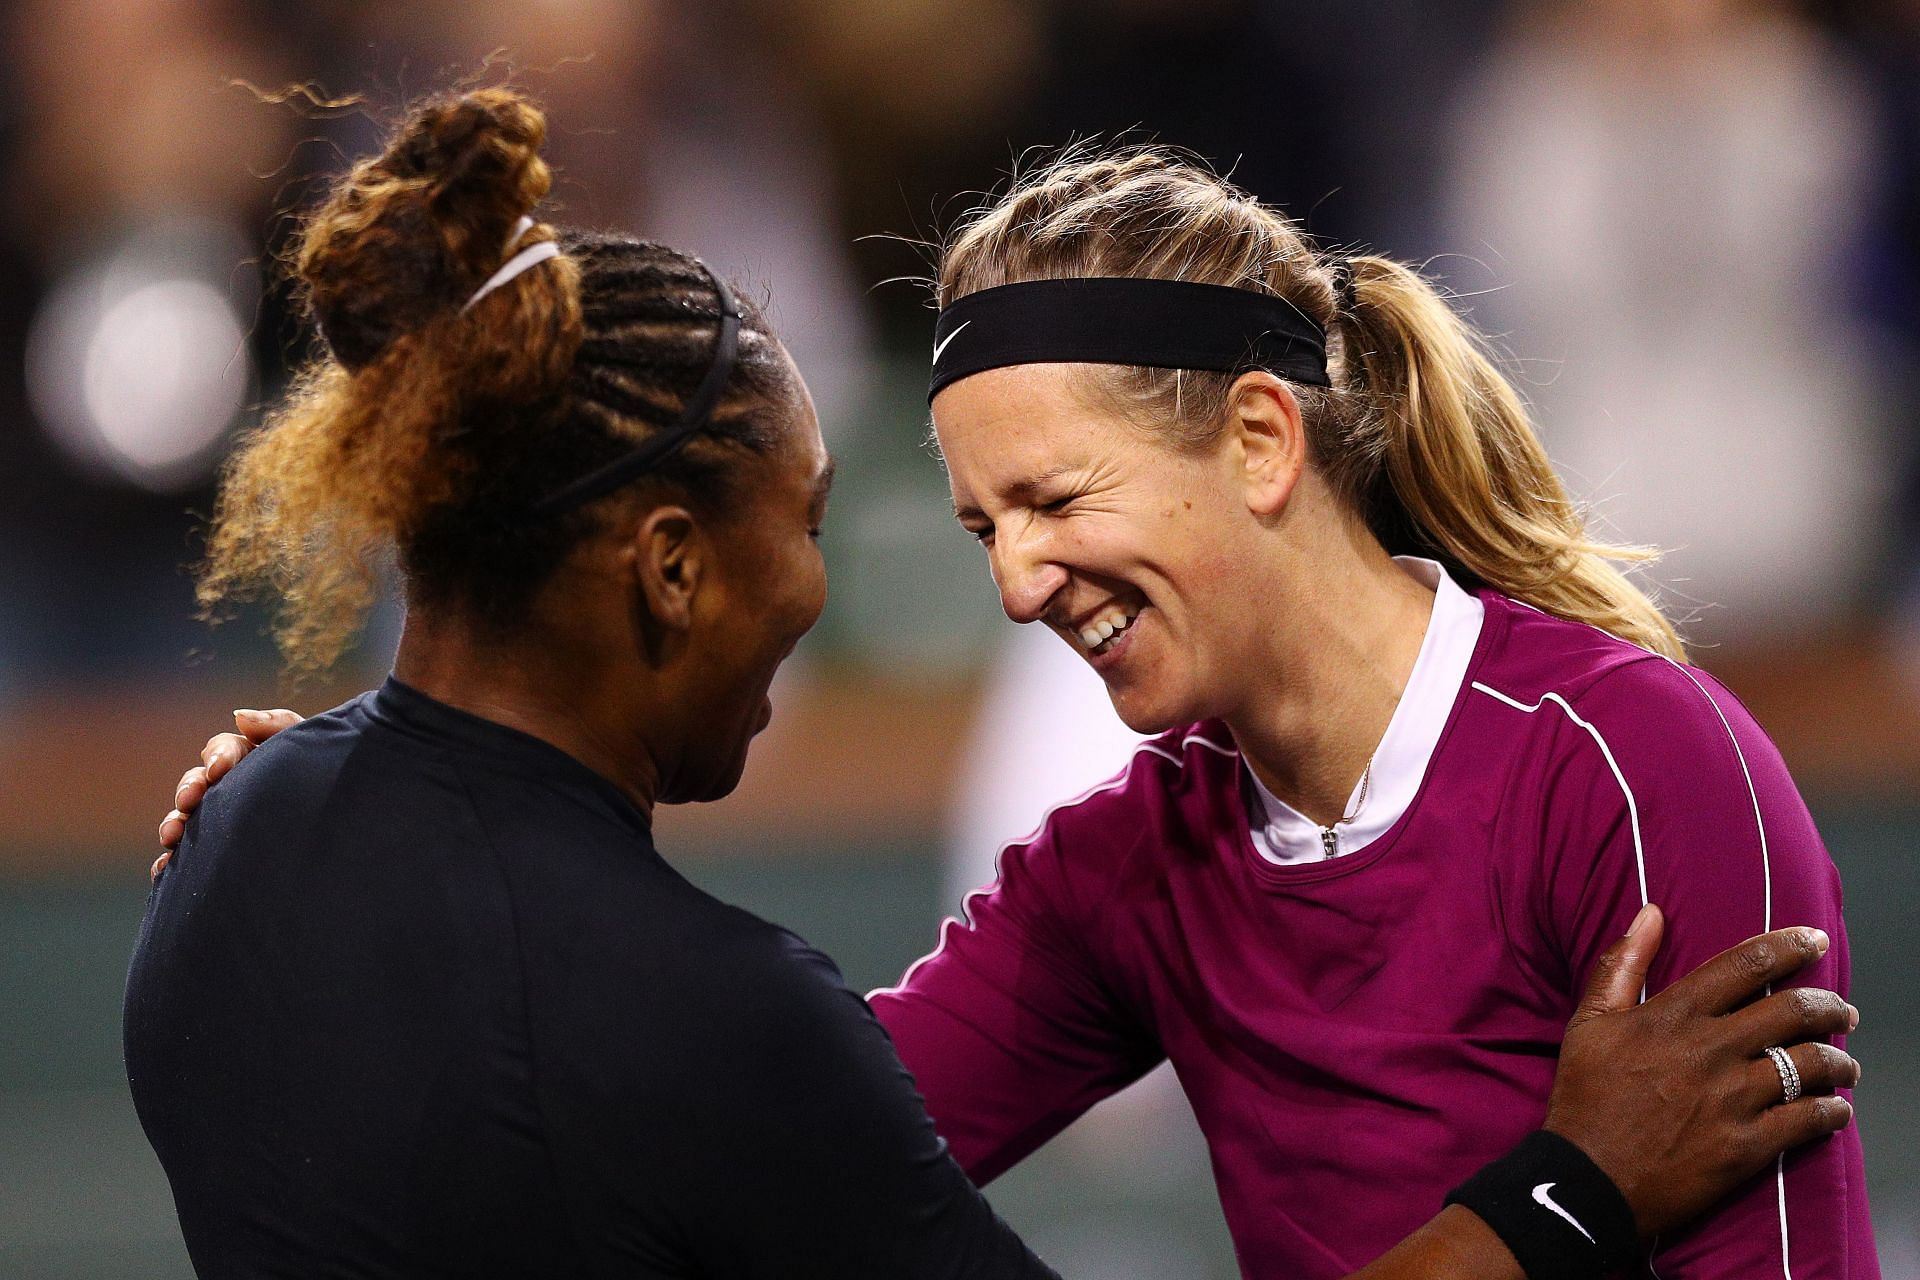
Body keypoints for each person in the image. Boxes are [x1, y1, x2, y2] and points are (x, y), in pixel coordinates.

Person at [146, 103, 1863, 1280]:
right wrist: (397, 845)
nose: (1016, 584)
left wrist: (365, 834)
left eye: (1054, 502)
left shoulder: (1636, 767)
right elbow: (712, 1149)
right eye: (980, 526)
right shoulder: (1126, 868)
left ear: (1264, 441)